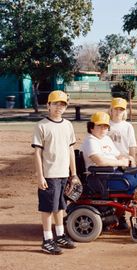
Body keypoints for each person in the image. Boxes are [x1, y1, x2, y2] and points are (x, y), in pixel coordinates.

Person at [79, 112, 137, 224]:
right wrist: (120, 162)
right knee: (136, 183)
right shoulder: (90, 141)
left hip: (111, 175)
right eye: (99, 126)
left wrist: (128, 157)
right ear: (91, 127)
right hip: (99, 178)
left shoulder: (106, 139)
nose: (103, 129)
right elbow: (100, 161)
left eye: (106, 126)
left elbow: (117, 154)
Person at [32, 90, 78, 255]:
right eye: (56, 103)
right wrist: (40, 176)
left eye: (62, 104)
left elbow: (71, 150)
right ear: (48, 105)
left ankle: (59, 235)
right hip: (49, 174)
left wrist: (74, 174)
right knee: (47, 208)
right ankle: (47, 240)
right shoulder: (42, 125)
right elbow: (37, 153)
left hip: (63, 173)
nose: (59, 107)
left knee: (60, 206)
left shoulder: (68, 125)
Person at [108, 97, 137, 229]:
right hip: (109, 163)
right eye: (116, 109)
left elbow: (132, 146)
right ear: (111, 110)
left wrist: (132, 160)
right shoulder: (106, 124)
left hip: (124, 162)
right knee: (115, 191)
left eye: (121, 109)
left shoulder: (128, 126)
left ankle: (121, 217)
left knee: (128, 191)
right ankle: (114, 217)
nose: (118, 111)